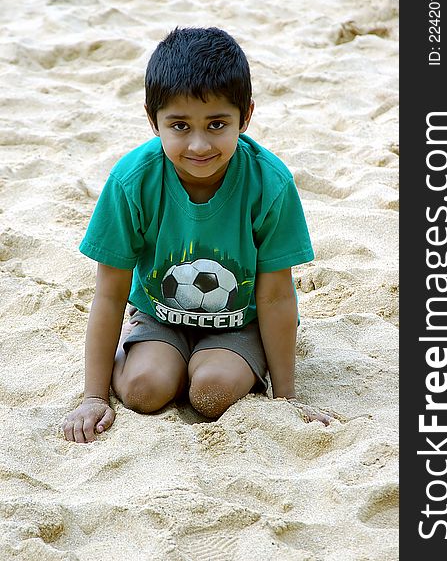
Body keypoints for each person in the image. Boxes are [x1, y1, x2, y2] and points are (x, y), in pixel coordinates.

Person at [62, 27, 331, 444]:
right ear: (153, 120)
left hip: (240, 322)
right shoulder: (133, 181)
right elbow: (110, 292)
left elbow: (276, 294)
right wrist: (93, 396)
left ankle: (230, 361)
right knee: (144, 391)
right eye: (180, 125)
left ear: (247, 116)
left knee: (211, 393)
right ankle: (135, 358)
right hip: (159, 316)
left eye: (218, 123)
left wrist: (287, 399)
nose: (200, 144)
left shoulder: (269, 183)